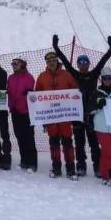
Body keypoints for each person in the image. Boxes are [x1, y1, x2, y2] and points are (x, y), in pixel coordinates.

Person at [53, 35, 111, 177]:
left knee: (94, 144)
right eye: (80, 63)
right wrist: (56, 47)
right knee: (79, 144)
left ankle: (98, 167)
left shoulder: (94, 74)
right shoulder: (73, 74)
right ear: (78, 65)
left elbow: (103, 61)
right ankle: (80, 166)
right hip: (77, 116)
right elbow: (64, 61)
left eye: (85, 62)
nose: (82, 65)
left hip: (92, 115)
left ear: (88, 64)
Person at [36, 37, 79, 180]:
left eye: (53, 60)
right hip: (51, 117)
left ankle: (71, 169)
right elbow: (38, 96)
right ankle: (56, 167)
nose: (51, 63)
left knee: (67, 142)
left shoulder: (66, 75)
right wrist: (41, 115)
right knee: (53, 143)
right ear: (46, 63)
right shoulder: (42, 77)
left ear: (57, 61)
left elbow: (74, 91)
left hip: (65, 116)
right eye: (49, 61)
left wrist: (74, 108)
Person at [7, 56, 37, 172]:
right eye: (13, 64)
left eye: (16, 63)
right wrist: (10, 104)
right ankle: (24, 161)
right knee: (19, 136)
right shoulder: (11, 78)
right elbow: (9, 91)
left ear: (22, 65)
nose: (14, 66)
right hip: (15, 111)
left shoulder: (28, 77)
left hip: (26, 111)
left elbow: (29, 93)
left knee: (28, 137)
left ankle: (32, 163)